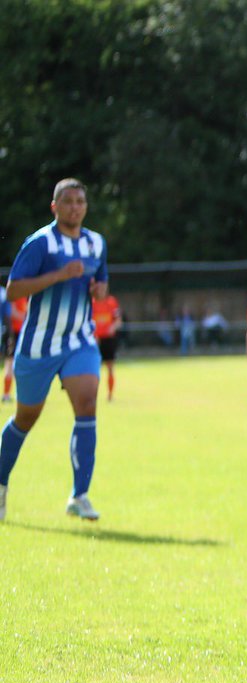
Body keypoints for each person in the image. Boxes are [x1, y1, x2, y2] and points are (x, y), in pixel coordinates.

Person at [0, 178, 107, 521]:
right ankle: (1, 484)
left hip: (80, 340)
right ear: (55, 207)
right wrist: (59, 275)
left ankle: (80, 495)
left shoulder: (96, 243)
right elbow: (14, 290)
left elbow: (101, 285)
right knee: (26, 418)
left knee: (88, 404)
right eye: (68, 201)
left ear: (86, 207)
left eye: (80, 201)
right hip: (39, 344)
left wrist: (100, 289)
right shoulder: (40, 243)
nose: (75, 206)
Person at [91, 283, 122, 401]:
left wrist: (113, 327)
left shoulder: (111, 302)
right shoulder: (92, 303)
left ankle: (110, 395)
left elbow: (118, 320)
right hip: (96, 340)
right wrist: (93, 335)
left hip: (109, 340)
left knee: (110, 368)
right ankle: (93, 395)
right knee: (94, 369)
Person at [2, 296, 28, 403]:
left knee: (22, 364)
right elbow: (12, 312)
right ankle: (6, 394)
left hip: (22, 332)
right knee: (10, 363)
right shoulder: (15, 294)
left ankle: (20, 395)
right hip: (13, 333)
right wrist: (27, 318)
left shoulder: (24, 296)